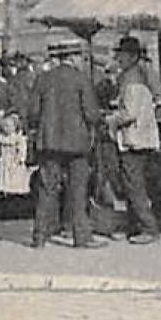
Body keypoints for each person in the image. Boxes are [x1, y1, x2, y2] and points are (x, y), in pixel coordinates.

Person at [25, 43, 105, 249]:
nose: (81, 60)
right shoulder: (81, 80)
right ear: (72, 57)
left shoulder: (43, 79)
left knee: (47, 189)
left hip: (49, 143)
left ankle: (39, 236)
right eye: (79, 56)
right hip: (77, 144)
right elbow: (92, 114)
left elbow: (32, 112)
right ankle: (81, 236)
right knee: (78, 190)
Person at [109, 36, 161, 244]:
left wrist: (110, 118)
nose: (118, 58)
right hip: (140, 137)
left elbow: (129, 113)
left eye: (121, 54)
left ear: (132, 56)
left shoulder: (132, 80)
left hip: (134, 138)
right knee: (131, 182)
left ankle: (149, 228)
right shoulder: (138, 75)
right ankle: (133, 227)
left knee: (133, 185)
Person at [0, 112, 31, 196]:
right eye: (4, 126)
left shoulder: (18, 138)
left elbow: (22, 149)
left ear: (14, 127)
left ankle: (14, 193)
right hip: (4, 161)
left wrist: (21, 159)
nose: (6, 128)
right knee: (2, 177)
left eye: (8, 126)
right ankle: (2, 191)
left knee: (14, 178)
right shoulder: (1, 137)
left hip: (15, 161)